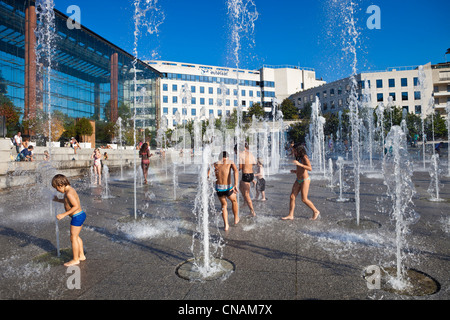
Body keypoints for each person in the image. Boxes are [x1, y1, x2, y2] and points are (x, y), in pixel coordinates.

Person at [52, 174, 86, 267]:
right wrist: (58, 200)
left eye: (56, 188)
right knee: (76, 236)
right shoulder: (69, 191)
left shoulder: (69, 193)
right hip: (79, 215)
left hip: (77, 216)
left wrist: (63, 214)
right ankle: (81, 255)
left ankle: (75, 259)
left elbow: (76, 206)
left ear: (60, 185)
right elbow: (67, 201)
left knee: (73, 238)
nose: (57, 190)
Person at [282, 144, 320, 221]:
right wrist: (295, 171)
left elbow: (310, 168)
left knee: (304, 199)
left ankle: (316, 211)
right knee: (292, 196)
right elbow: (300, 169)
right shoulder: (298, 157)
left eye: (294, 150)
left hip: (305, 180)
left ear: (299, 150)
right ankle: (291, 215)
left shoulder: (304, 157)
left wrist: (299, 164)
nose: (293, 151)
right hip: (298, 179)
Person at [209, 151, 239, 231]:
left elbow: (208, 172)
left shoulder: (215, 164)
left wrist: (209, 178)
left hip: (220, 188)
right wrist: (235, 184)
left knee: (224, 205)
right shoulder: (229, 162)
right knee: (233, 201)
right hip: (227, 188)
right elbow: (236, 171)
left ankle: (228, 224)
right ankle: (234, 219)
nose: (225, 160)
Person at [235, 143, 256, 217]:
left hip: (246, 175)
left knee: (247, 194)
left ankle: (252, 212)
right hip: (251, 174)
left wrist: (235, 169)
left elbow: (240, 167)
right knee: (240, 186)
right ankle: (245, 202)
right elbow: (254, 163)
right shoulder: (250, 153)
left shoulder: (240, 155)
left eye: (235, 152)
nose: (235, 153)